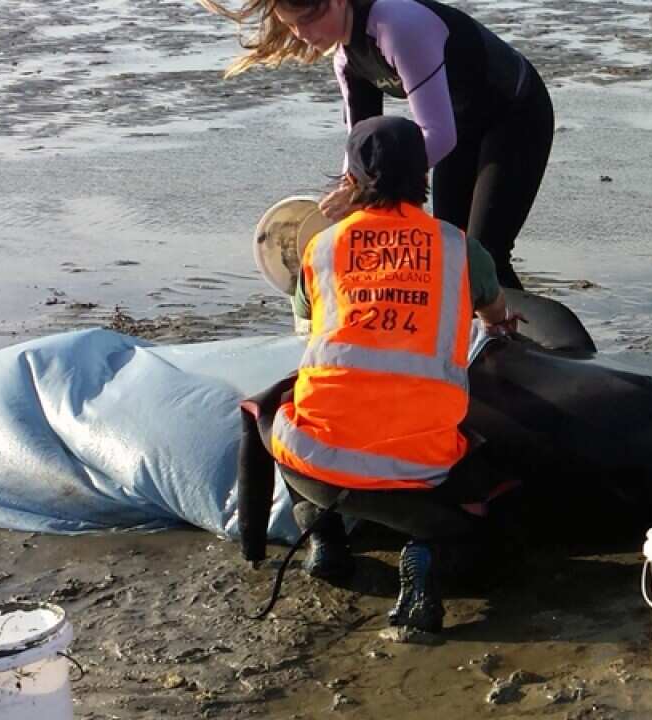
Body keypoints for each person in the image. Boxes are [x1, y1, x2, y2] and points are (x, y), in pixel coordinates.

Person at [269, 115, 517, 633]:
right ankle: (421, 556)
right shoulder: (459, 249)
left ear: (351, 182)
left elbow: (307, 328)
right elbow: (494, 317)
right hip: (418, 472)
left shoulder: (321, 248)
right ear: (424, 177)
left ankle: (324, 537)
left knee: (275, 413)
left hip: (315, 462)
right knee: (474, 493)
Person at [199, 0, 554, 290]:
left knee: (485, 254)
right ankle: (475, 351)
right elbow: (360, 152)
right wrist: (341, 203)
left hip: (515, 113)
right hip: (461, 125)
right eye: (292, 26)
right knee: (451, 252)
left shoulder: (397, 26)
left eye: (308, 20)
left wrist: (370, 192)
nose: (302, 35)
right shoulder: (346, 59)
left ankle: (521, 353)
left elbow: (439, 136)